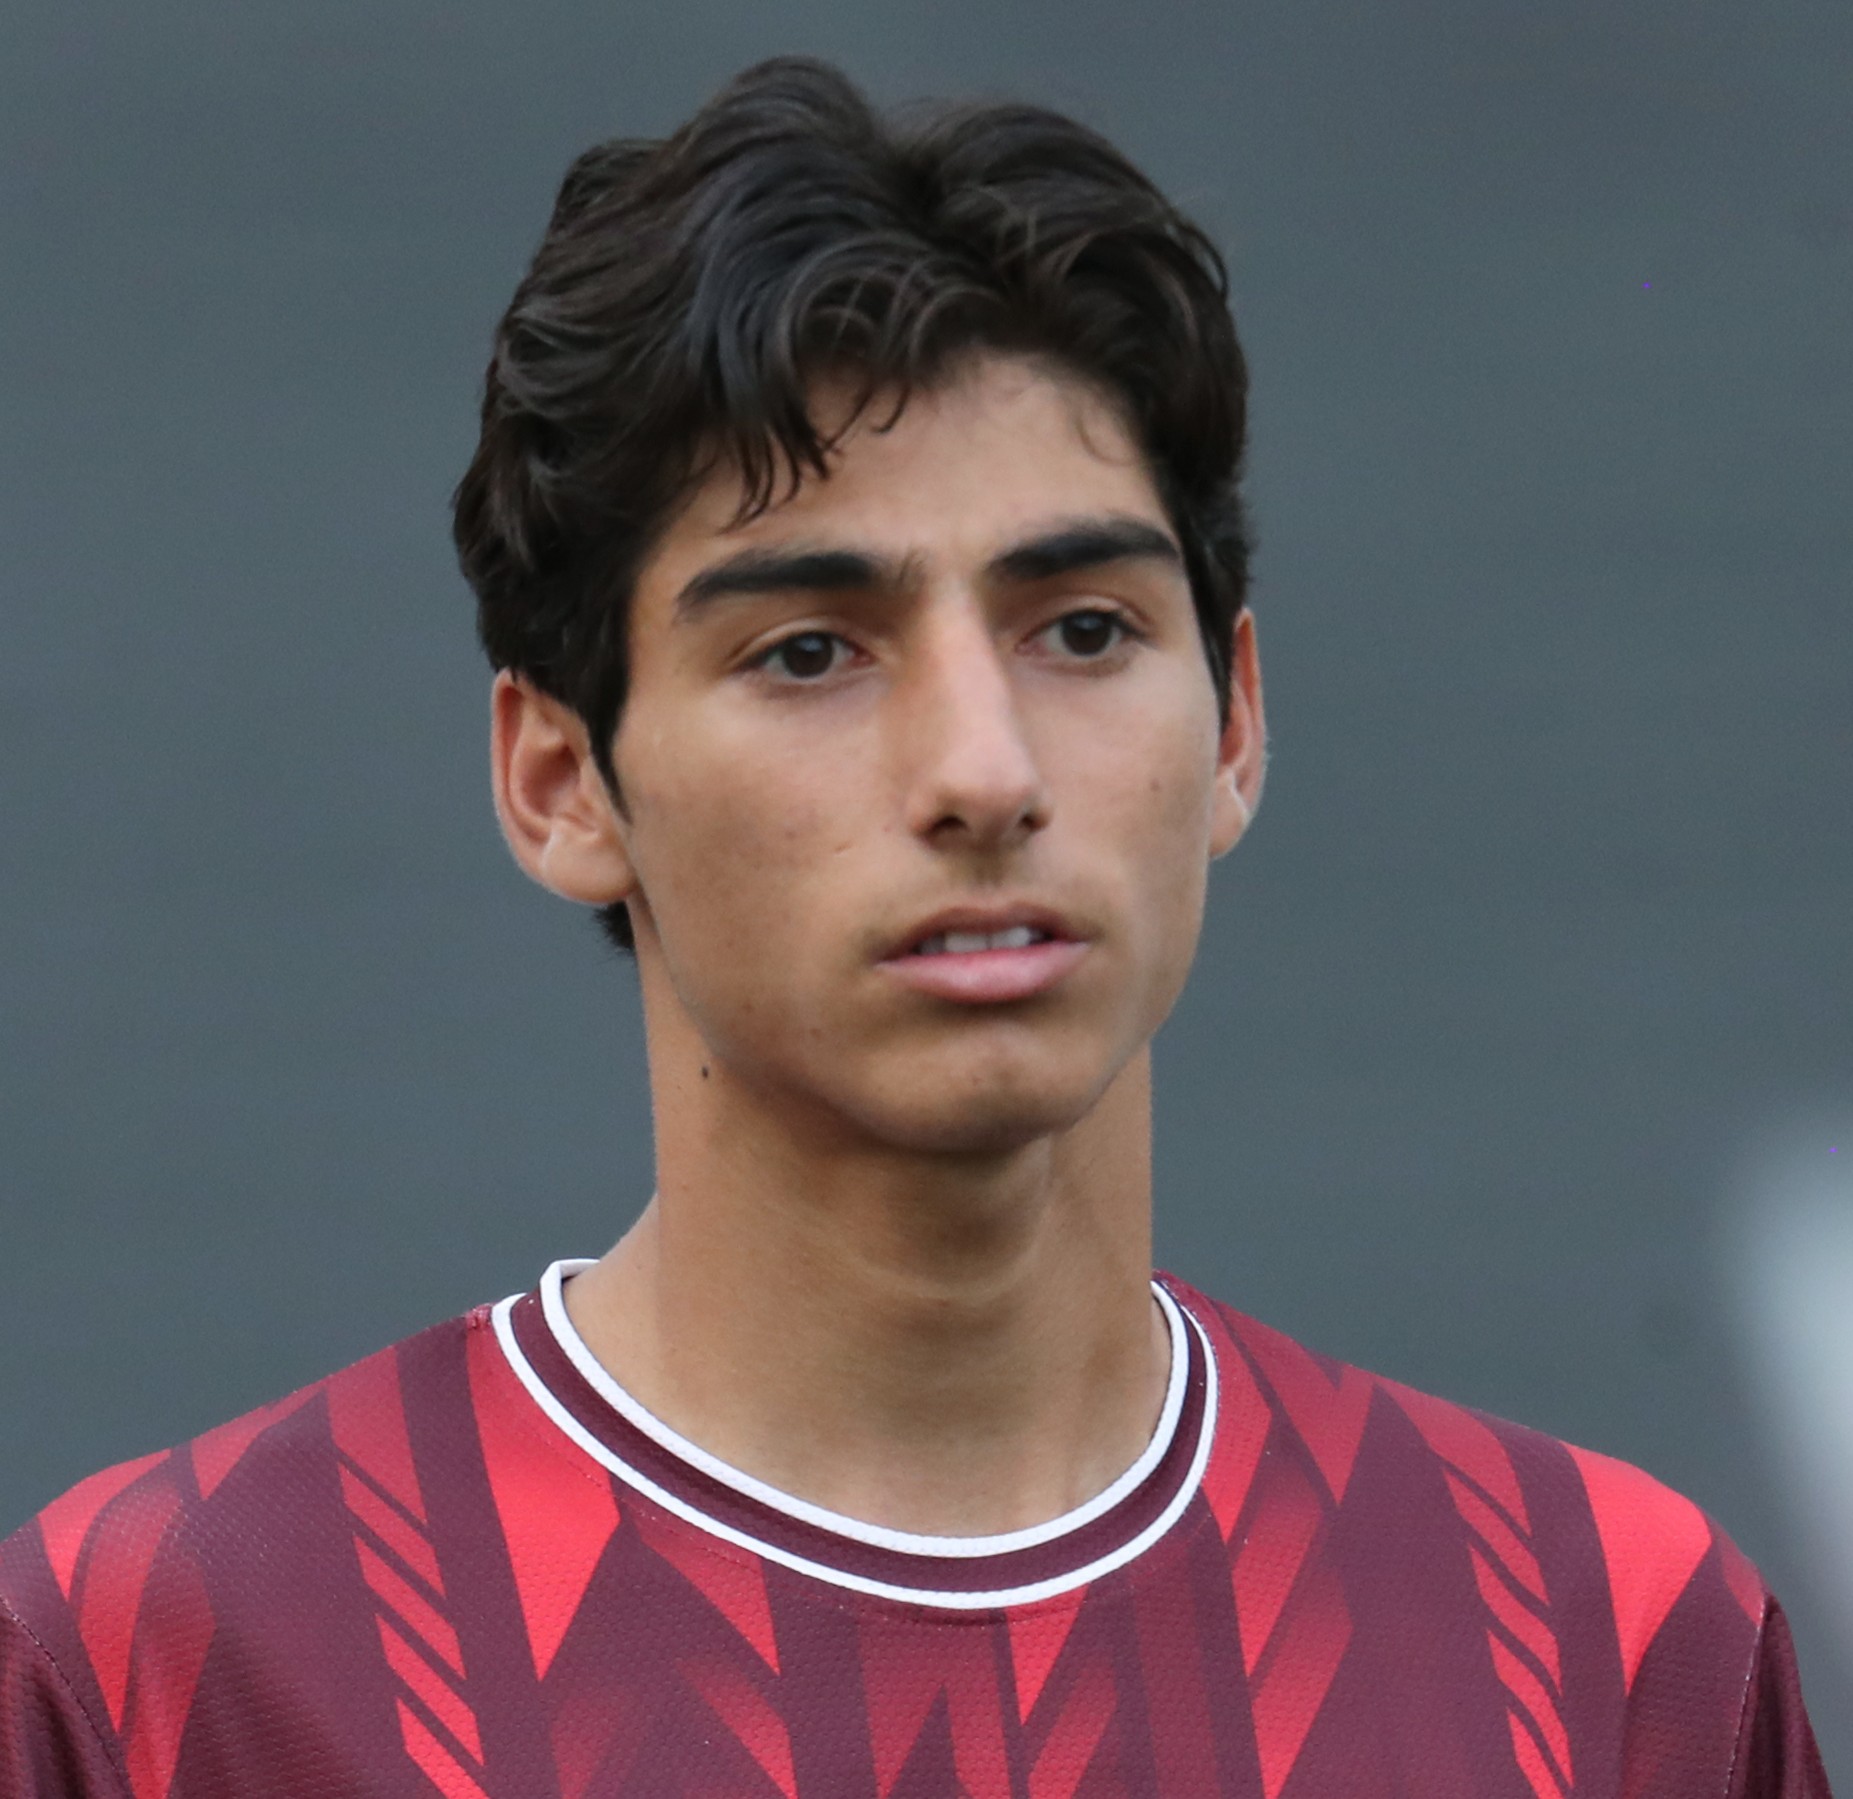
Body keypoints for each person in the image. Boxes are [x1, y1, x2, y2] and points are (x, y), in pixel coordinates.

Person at [0, 55, 1829, 1799]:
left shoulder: (1606, 1654)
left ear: (1234, 724)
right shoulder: (169, 1664)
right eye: (809, 651)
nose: (981, 770)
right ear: (563, 783)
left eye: (1083, 630)